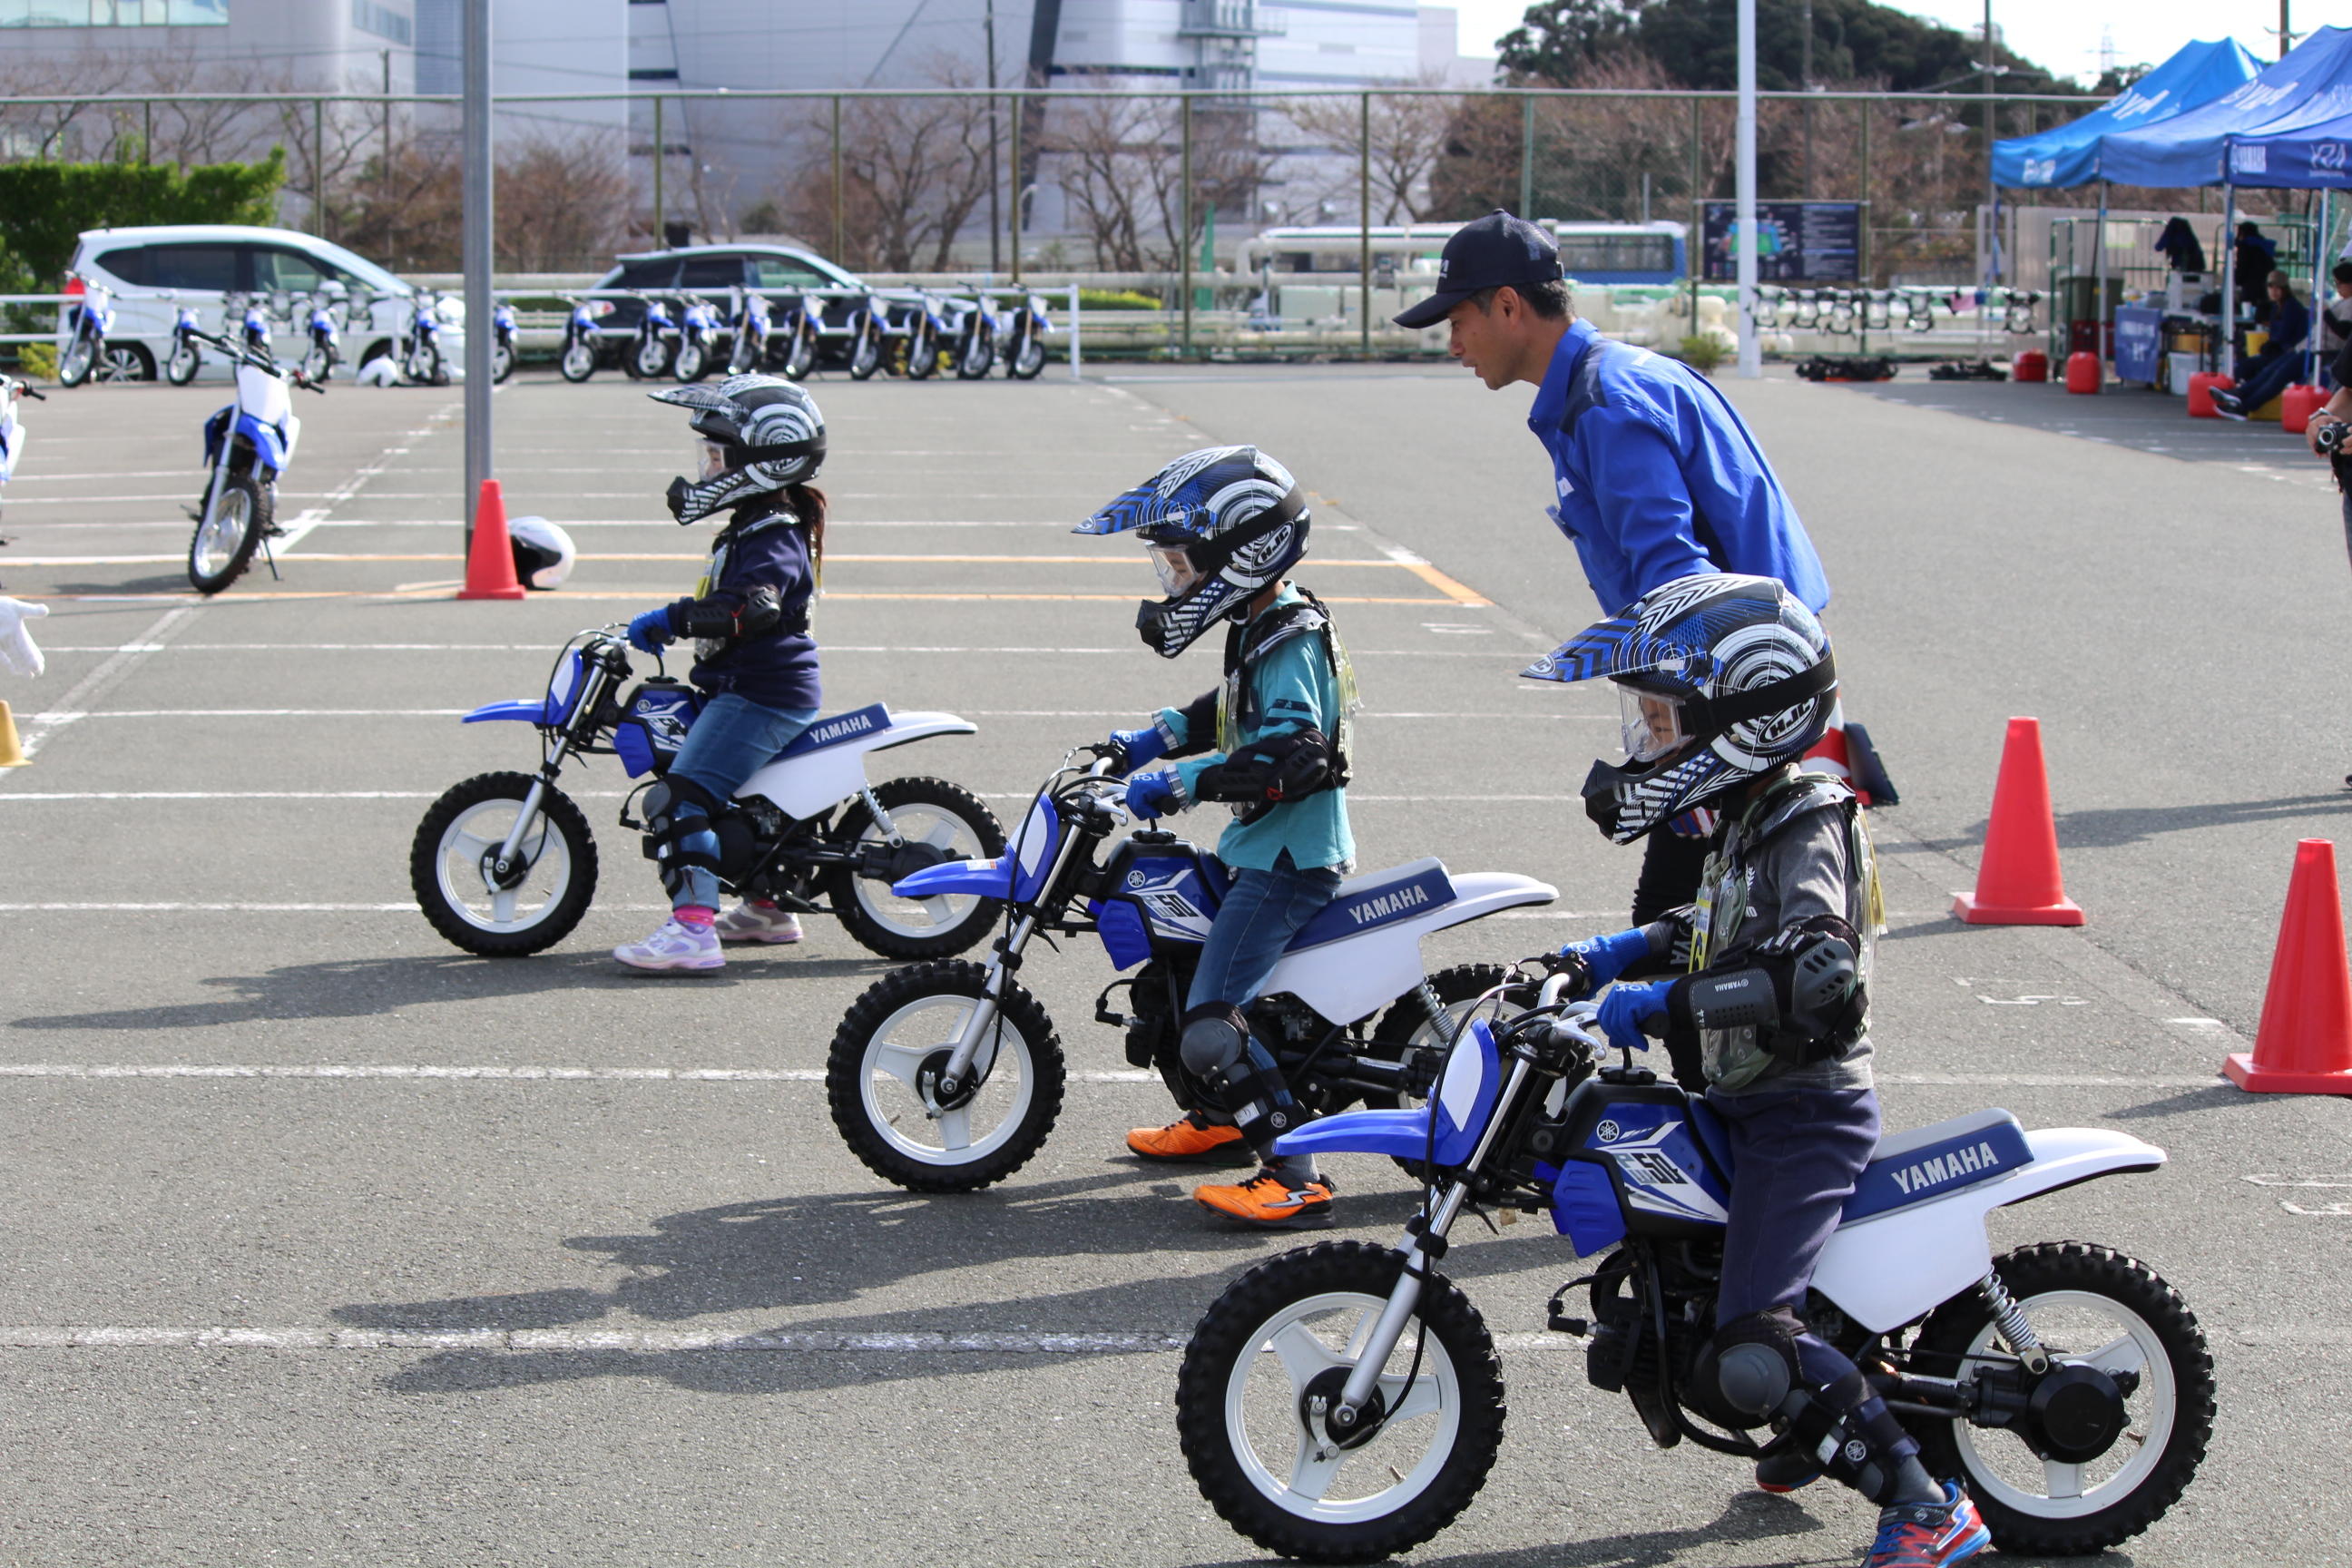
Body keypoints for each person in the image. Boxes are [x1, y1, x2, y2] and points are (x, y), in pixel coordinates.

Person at [1532, 572, 1987, 1568]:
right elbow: (1717, 922)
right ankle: (1808, 1424)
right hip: (1746, 1101)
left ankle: (1923, 1503)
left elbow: (1814, 971)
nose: (1648, 739)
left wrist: (1664, 1003)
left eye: (1664, 718)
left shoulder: (1807, 815)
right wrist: (1614, 951)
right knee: (1693, 1282)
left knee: (1750, 1342)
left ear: (1747, 716)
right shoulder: (1746, 814)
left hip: (1802, 1116)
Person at [1393, 209, 1835, 928]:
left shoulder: (1605, 405)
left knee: (1677, 933)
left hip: (1733, 695)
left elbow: (1679, 583)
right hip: (1756, 679)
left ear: (1508, 306)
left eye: (1457, 320)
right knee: (1712, 929)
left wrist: (1681, 747)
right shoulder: (1608, 382)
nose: (1454, 344)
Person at [1078, 446, 1358, 1230]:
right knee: (1176, 980)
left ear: (1245, 552)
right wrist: (1154, 735)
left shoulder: (1292, 634)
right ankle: (1222, 1117)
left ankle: (1295, 1172)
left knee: (1209, 1025)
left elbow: (1293, 753)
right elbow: (1231, 705)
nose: (1174, 580)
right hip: (1258, 852)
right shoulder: (1262, 620)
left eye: (1181, 562)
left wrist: (1186, 780)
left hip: (1288, 864)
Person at [612, 374, 828, 972]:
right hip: (749, 688)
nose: (706, 469)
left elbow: (748, 607)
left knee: (679, 798)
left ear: (763, 458)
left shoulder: (772, 535)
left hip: (759, 695)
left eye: (715, 456)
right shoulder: (755, 525)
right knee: (740, 801)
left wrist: (674, 617)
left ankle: (692, 932)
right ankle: (765, 908)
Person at [2211, 271, 2312, 421]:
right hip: (2282, 351)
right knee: (2253, 367)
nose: (2274, 291)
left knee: (2269, 371)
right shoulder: (2277, 307)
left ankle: (2241, 399)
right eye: (2271, 287)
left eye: (2278, 287)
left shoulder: (2292, 307)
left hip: (2288, 351)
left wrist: (2271, 345)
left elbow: (2284, 336)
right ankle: (2239, 396)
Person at [2318, 261, 2352, 385]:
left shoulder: (2350, 303)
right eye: (2335, 284)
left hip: (2330, 351)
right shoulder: (2344, 302)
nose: (2337, 288)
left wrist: (2326, 313)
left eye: (2339, 284)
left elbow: (2343, 331)